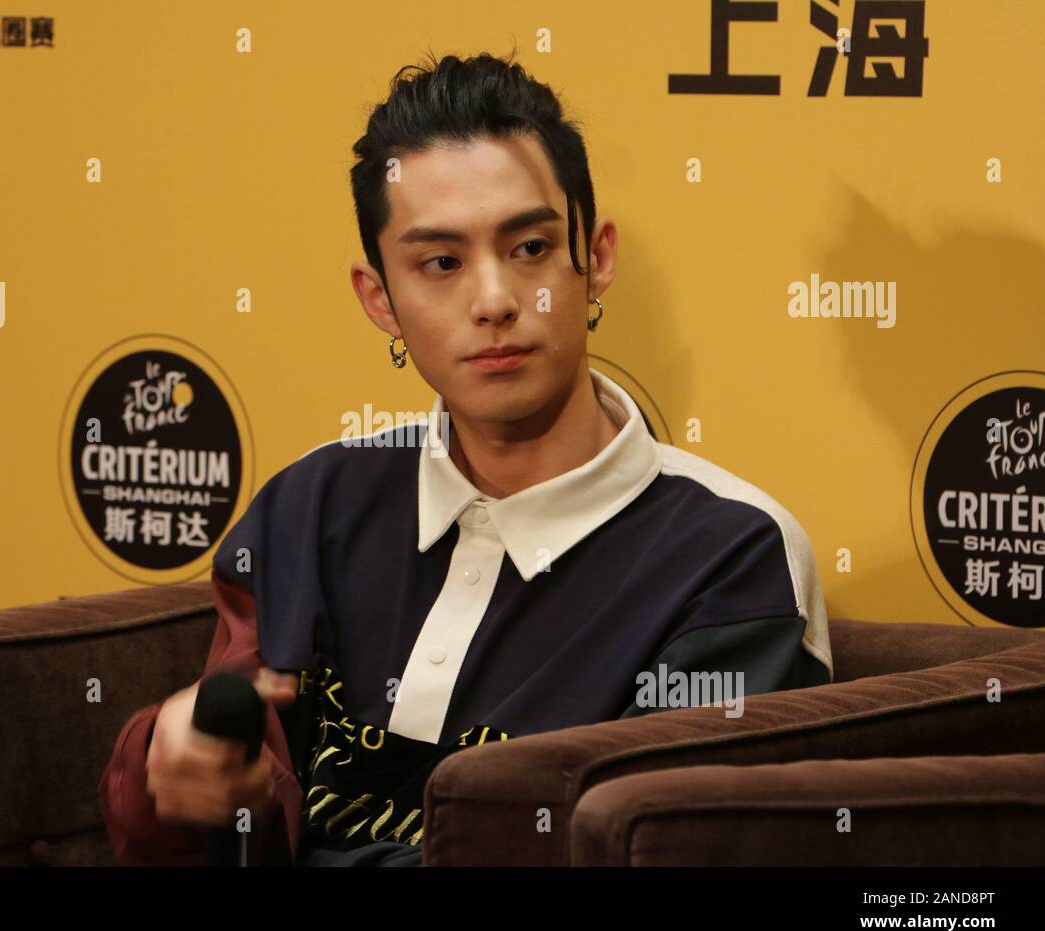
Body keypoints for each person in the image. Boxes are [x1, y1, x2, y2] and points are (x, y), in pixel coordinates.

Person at [99, 49, 832, 868]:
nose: (493, 301)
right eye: (440, 263)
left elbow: (642, 850)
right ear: (380, 298)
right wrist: (169, 765)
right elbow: (222, 823)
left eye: (528, 248)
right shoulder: (311, 507)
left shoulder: (731, 555)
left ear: (596, 258)